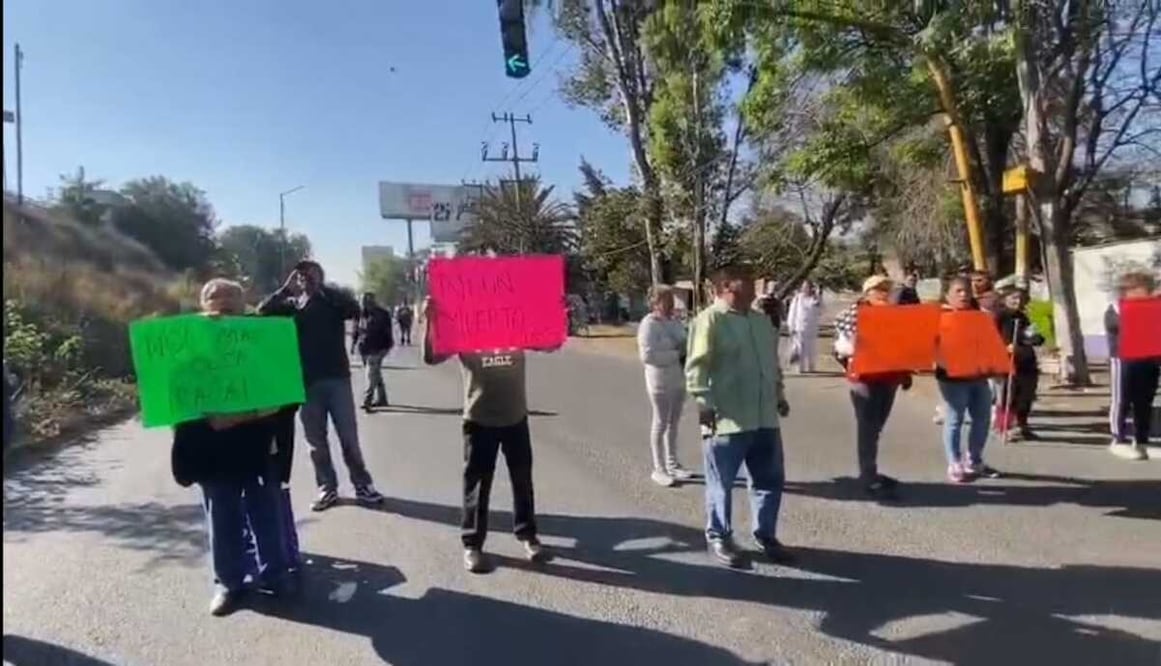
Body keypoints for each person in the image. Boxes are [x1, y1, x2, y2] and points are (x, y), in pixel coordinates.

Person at [171, 278, 292, 616]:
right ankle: (229, 583)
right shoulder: (186, 345)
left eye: (230, 300)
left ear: (244, 306)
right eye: (214, 298)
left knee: (266, 513)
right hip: (210, 450)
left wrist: (239, 416)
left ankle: (276, 575)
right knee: (221, 516)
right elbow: (174, 395)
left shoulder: (264, 340)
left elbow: (283, 397)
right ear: (202, 305)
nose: (221, 305)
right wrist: (204, 417)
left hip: (256, 445)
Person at [421, 296, 558, 574]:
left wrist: (555, 312)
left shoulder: (515, 329)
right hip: (479, 419)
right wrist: (431, 319)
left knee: (522, 480)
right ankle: (472, 545)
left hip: (515, 418)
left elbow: (551, 344)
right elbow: (431, 357)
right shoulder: (462, 332)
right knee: (477, 486)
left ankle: (528, 536)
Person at [686, 264, 794, 569]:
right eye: (744, 282)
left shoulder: (760, 322)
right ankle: (719, 535)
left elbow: (771, 364)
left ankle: (766, 535)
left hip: (764, 418)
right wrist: (704, 404)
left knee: (769, 480)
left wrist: (780, 395)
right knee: (722, 482)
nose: (751, 287)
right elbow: (697, 367)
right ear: (724, 288)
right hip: (727, 418)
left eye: (751, 282)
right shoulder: (709, 320)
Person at [258, 260, 385, 511]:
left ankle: (362, 485)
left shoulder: (332, 303)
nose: (305, 277)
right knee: (316, 441)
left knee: (348, 437)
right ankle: (327, 487)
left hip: (337, 380)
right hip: (305, 383)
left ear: (321, 276)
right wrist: (285, 290)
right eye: (301, 273)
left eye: (311, 272)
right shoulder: (291, 306)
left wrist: (323, 288)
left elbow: (353, 309)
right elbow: (263, 311)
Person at [833, 275, 913, 499]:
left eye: (887, 288)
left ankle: (871, 471)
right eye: (879, 289)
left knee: (876, 427)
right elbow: (844, 346)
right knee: (867, 428)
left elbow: (904, 345)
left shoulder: (896, 315)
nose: (884, 293)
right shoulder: (853, 314)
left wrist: (905, 373)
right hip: (864, 379)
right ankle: (868, 476)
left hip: (888, 379)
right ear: (867, 292)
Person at [936, 277, 1000, 483]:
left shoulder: (980, 317)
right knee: (955, 419)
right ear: (947, 295)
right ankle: (954, 463)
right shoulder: (939, 317)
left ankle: (974, 460)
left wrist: (996, 364)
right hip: (953, 378)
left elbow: (989, 343)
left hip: (978, 375)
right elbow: (930, 346)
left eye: (966, 291)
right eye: (958, 291)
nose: (963, 295)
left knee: (982, 419)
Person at [636, 285, 692, 487]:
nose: (670, 303)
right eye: (665, 299)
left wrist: (683, 346)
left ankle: (672, 463)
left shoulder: (674, 321)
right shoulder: (648, 324)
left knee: (674, 423)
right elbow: (647, 356)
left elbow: (684, 342)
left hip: (678, 378)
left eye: (671, 299)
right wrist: (674, 353)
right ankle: (658, 468)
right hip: (659, 382)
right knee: (660, 423)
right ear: (655, 302)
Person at [1105, 271, 1160, 461]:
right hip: (1124, 360)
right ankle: (1118, 439)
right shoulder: (1116, 308)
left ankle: (1142, 442)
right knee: (1121, 400)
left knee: (1144, 403)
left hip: (1150, 359)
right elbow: (1115, 326)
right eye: (1141, 288)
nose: (1147, 291)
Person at [994, 286, 1045, 441]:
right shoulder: (1000, 316)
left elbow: (1032, 335)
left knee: (1026, 396)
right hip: (1010, 361)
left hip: (1026, 361)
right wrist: (1004, 347)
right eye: (1013, 298)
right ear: (1004, 299)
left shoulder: (1022, 317)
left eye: (1019, 298)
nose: (1017, 301)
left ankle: (1022, 425)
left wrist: (1035, 338)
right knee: (1009, 396)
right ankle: (1003, 427)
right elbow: (993, 336)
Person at [352, 292, 395, 411]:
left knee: (371, 373)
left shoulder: (381, 314)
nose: (365, 303)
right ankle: (382, 398)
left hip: (378, 347)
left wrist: (387, 346)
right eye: (363, 301)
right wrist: (354, 343)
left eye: (367, 301)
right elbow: (356, 329)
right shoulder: (361, 314)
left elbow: (385, 331)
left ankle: (367, 400)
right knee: (375, 373)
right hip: (365, 347)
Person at [786, 281, 823, 373]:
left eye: (808, 287)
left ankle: (811, 366)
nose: (806, 289)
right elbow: (792, 312)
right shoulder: (798, 298)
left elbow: (821, 311)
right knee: (800, 347)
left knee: (811, 348)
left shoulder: (815, 299)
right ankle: (800, 367)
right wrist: (791, 325)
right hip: (799, 326)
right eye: (804, 287)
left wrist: (818, 299)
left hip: (812, 327)